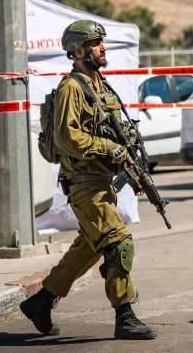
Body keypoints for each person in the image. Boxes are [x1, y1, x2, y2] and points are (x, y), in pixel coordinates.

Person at [19, 20, 156, 340]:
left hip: (101, 180)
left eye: (102, 42)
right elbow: (68, 138)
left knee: (90, 248)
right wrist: (109, 147)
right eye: (96, 43)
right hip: (83, 182)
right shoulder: (72, 88)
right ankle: (125, 315)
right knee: (117, 242)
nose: (103, 47)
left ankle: (41, 302)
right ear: (79, 51)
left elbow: (114, 130)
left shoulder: (101, 84)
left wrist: (131, 161)